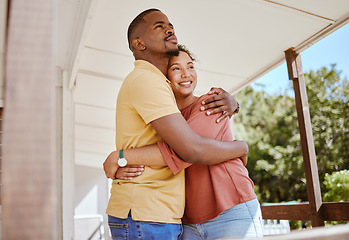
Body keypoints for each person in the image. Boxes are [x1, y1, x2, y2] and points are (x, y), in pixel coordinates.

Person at [105, 8, 244, 240]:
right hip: (146, 214)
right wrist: (241, 148)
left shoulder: (160, 86)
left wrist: (121, 156)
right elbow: (191, 149)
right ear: (138, 43)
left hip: (155, 214)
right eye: (159, 26)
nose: (169, 29)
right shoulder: (148, 80)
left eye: (170, 25)